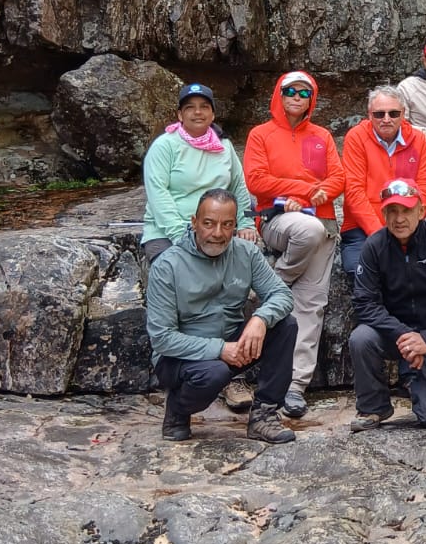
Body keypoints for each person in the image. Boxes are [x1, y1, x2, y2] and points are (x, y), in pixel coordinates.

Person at [145, 189, 296, 445]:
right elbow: (162, 338)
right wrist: (220, 349)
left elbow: (282, 294)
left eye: (227, 225)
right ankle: (178, 409)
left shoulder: (246, 253)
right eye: (209, 223)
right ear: (194, 222)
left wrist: (260, 319)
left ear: (235, 225)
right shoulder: (167, 266)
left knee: (285, 325)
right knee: (214, 373)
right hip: (180, 358)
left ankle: (264, 415)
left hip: (231, 343)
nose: (218, 233)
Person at [243, 70, 344, 418]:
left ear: (312, 100)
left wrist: (318, 192)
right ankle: (280, 281)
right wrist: (305, 190)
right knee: (307, 230)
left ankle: (296, 386)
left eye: (304, 93)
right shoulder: (261, 134)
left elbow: (338, 177)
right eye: (290, 91)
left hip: (323, 222)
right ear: (279, 93)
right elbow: (256, 180)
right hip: (279, 221)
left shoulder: (322, 136)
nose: (297, 97)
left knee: (312, 304)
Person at [349, 180, 426, 431]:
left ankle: (416, 381)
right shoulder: (374, 246)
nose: (399, 219)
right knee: (361, 338)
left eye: (406, 210)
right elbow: (364, 302)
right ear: (383, 214)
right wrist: (404, 335)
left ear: (421, 210)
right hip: (394, 333)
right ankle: (373, 407)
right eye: (392, 211)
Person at [141, 83, 254, 263]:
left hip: (216, 230)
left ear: (213, 114)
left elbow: (238, 186)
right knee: (176, 270)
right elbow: (157, 193)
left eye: (204, 107)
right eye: (190, 107)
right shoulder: (164, 146)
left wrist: (246, 224)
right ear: (180, 115)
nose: (198, 112)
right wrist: (181, 235)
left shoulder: (225, 146)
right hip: (168, 233)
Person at [339, 86, 426, 279]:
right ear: (369, 115)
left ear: (403, 114)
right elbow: (354, 192)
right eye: (379, 114)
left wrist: (407, 226)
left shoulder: (418, 139)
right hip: (362, 227)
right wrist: (382, 235)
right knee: (360, 271)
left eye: (394, 113)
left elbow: (424, 189)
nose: (386, 119)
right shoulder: (356, 137)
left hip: (408, 224)